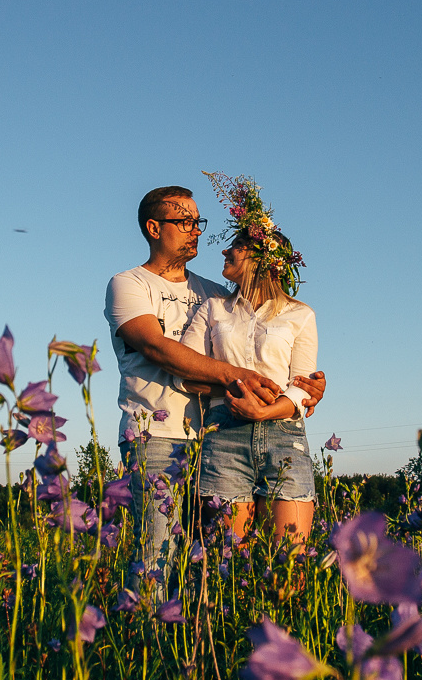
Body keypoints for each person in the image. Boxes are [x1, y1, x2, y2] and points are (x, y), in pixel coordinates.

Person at [104, 183, 324, 576]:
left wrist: (299, 390)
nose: (197, 230)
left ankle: (193, 634)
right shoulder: (130, 284)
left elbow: (269, 353)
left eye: (197, 221)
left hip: (213, 435)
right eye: (184, 221)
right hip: (157, 437)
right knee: (159, 553)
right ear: (155, 228)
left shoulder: (215, 293)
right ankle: (150, 634)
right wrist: (244, 378)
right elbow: (156, 348)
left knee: (205, 562)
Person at [181, 173, 318, 544]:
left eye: (236, 247)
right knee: (222, 561)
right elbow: (188, 373)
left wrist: (263, 412)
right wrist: (233, 386)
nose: (224, 252)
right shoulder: (213, 308)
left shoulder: (300, 314)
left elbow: (303, 388)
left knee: (291, 563)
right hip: (223, 432)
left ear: (262, 258)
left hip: (284, 435)